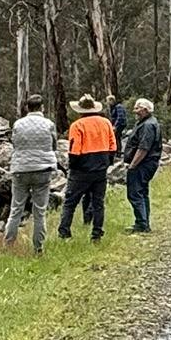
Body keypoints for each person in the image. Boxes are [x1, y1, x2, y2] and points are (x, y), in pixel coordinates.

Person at [57, 94, 118, 241]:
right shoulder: (106, 123)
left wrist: (72, 167)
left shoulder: (77, 125)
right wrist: (107, 162)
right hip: (100, 168)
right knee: (98, 203)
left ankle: (64, 233)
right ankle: (97, 233)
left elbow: (74, 149)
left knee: (70, 203)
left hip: (81, 169)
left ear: (80, 110)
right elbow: (113, 145)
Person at [3, 94, 57, 254]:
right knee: (39, 211)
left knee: (16, 209)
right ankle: (38, 248)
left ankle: (8, 245)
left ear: (27, 107)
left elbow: (15, 144)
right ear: (42, 107)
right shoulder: (48, 124)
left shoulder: (18, 124)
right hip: (43, 168)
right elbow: (53, 145)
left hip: (21, 169)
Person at [123, 98, 163, 234]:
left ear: (145, 109)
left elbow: (143, 148)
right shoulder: (148, 122)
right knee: (142, 192)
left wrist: (133, 165)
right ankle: (144, 223)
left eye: (137, 108)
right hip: (146, 163)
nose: (135, 111)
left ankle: (141, 224)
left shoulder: (147, 125)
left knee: (135, 193)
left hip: (143, 164)